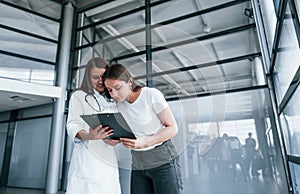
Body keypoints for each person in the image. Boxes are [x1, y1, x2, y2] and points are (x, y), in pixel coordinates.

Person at [103, 63, 183, 194]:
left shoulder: (151, 95)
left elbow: (172, 128)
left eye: (118, 87)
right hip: (138, 162)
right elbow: (117, 134)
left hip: (162, 159)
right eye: (110, 90)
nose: (114, 94)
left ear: (129, 82)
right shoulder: (118, 105)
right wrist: (109, 139)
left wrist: (145, 142)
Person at [66, 57, 121, 194]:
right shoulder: (79, 96)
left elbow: (117, 131)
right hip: (86, 159)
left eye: (103, 77)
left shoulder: (114, 100)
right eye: (95, 77)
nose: (100, 81)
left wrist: (114, 140)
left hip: (108, 160)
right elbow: (73, 124)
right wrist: (89, 135)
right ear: (88, 77)